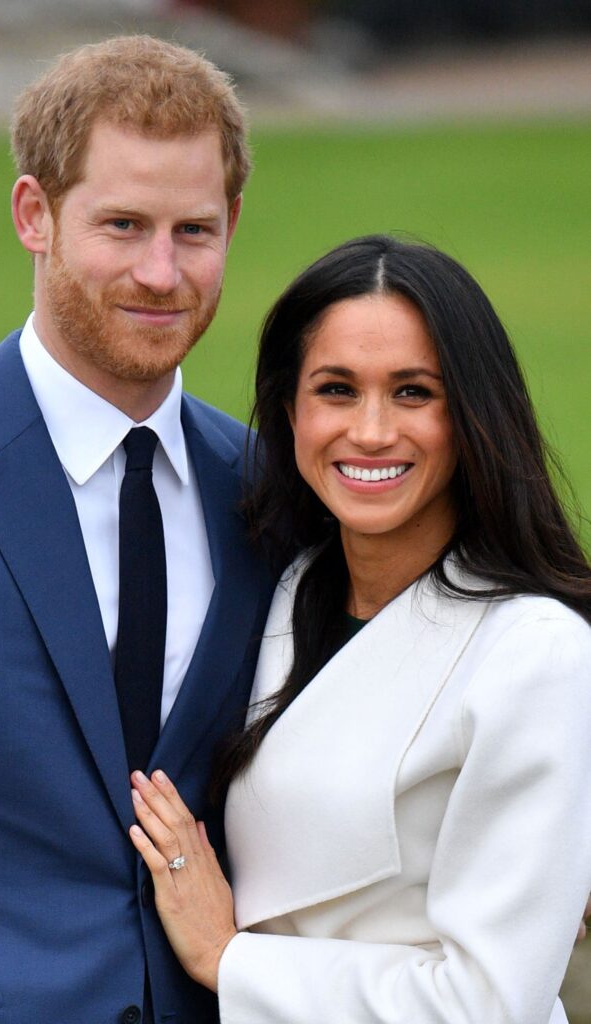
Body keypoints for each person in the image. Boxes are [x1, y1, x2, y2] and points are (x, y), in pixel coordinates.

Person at [128, 235, 591, 1024]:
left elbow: (488, 1005)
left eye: (413, 392)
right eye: (336, 389)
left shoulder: (535, 653)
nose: (371, 432)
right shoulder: (280, 590)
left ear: (472, 414)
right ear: (289, 411)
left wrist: (230, 958)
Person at [0, 34, 277, 1024]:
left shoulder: (269, 490)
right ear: (35, 214)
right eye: (122, 224)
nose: (160, 273)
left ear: (232, 221)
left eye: (192, 231)